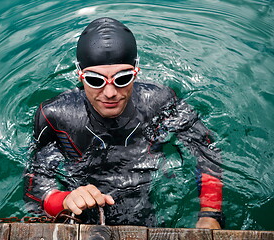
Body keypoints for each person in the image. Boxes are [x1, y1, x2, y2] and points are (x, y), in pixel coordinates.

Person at [24, 17, 224, 229]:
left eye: (122, 79)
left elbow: (206, 151)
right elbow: (35, 188)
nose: (110, 93)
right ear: (80, 75)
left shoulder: (159, 102)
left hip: (146, 193)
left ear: (136, 71)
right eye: (95, 80)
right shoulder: (55, 115)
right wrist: (64, 200)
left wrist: (210, 215)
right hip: (81, 201)